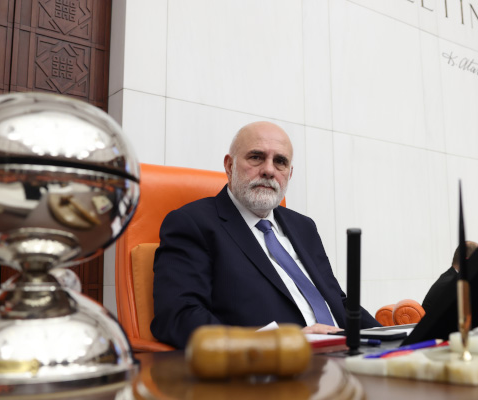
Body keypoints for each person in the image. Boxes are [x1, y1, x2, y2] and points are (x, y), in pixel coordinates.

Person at [151, 121, 380, 349]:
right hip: (275, 363)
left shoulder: (304, 226)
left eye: (280, 162)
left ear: (289, 174)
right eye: (256, 157)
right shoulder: (193, 223)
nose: (269, 170)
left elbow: (337, 301)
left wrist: (389, 337)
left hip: (348, 353)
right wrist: (279, 342)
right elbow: (179, 316)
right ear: (229, 165)